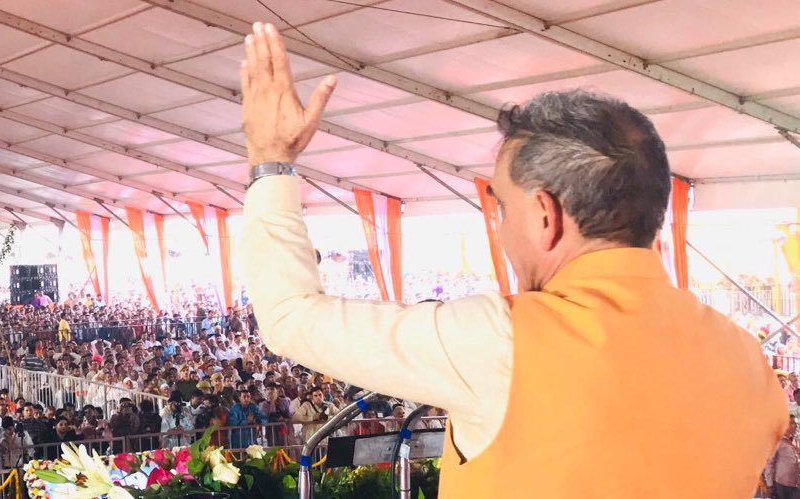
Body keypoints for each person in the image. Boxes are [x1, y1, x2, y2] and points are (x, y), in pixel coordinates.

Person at [235, 21, 786, 497]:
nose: (501, 230)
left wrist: (271, 159)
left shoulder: (501, 342)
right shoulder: (749, 361)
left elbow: (290, 316)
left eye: (502, 207)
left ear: (546, 216)